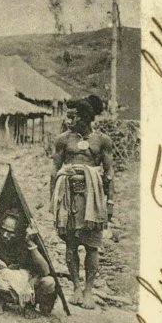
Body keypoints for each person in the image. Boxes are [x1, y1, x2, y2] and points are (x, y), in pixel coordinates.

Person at [50, 95, 114, 309]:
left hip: (93, 200)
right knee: (71, 244)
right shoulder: (63, 140)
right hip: (70, 198)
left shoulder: (101, 141)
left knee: (92, 246)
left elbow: (109, 172)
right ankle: (76, 287)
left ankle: (88, 291)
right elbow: (54, 170)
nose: (69, 121)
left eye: (74, 117)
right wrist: (54, 201)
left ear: (85, 117)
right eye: (68, 116)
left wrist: (111, 202)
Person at [0, 209, 56, 318]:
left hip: (25, 283)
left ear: (19, 232)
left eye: (11, 232)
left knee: (49, 282)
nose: (5, 234)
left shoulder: (25, 241)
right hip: (1, 279)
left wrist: (31, 243)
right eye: (3, 229)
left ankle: (29, 305)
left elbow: (45, 271)